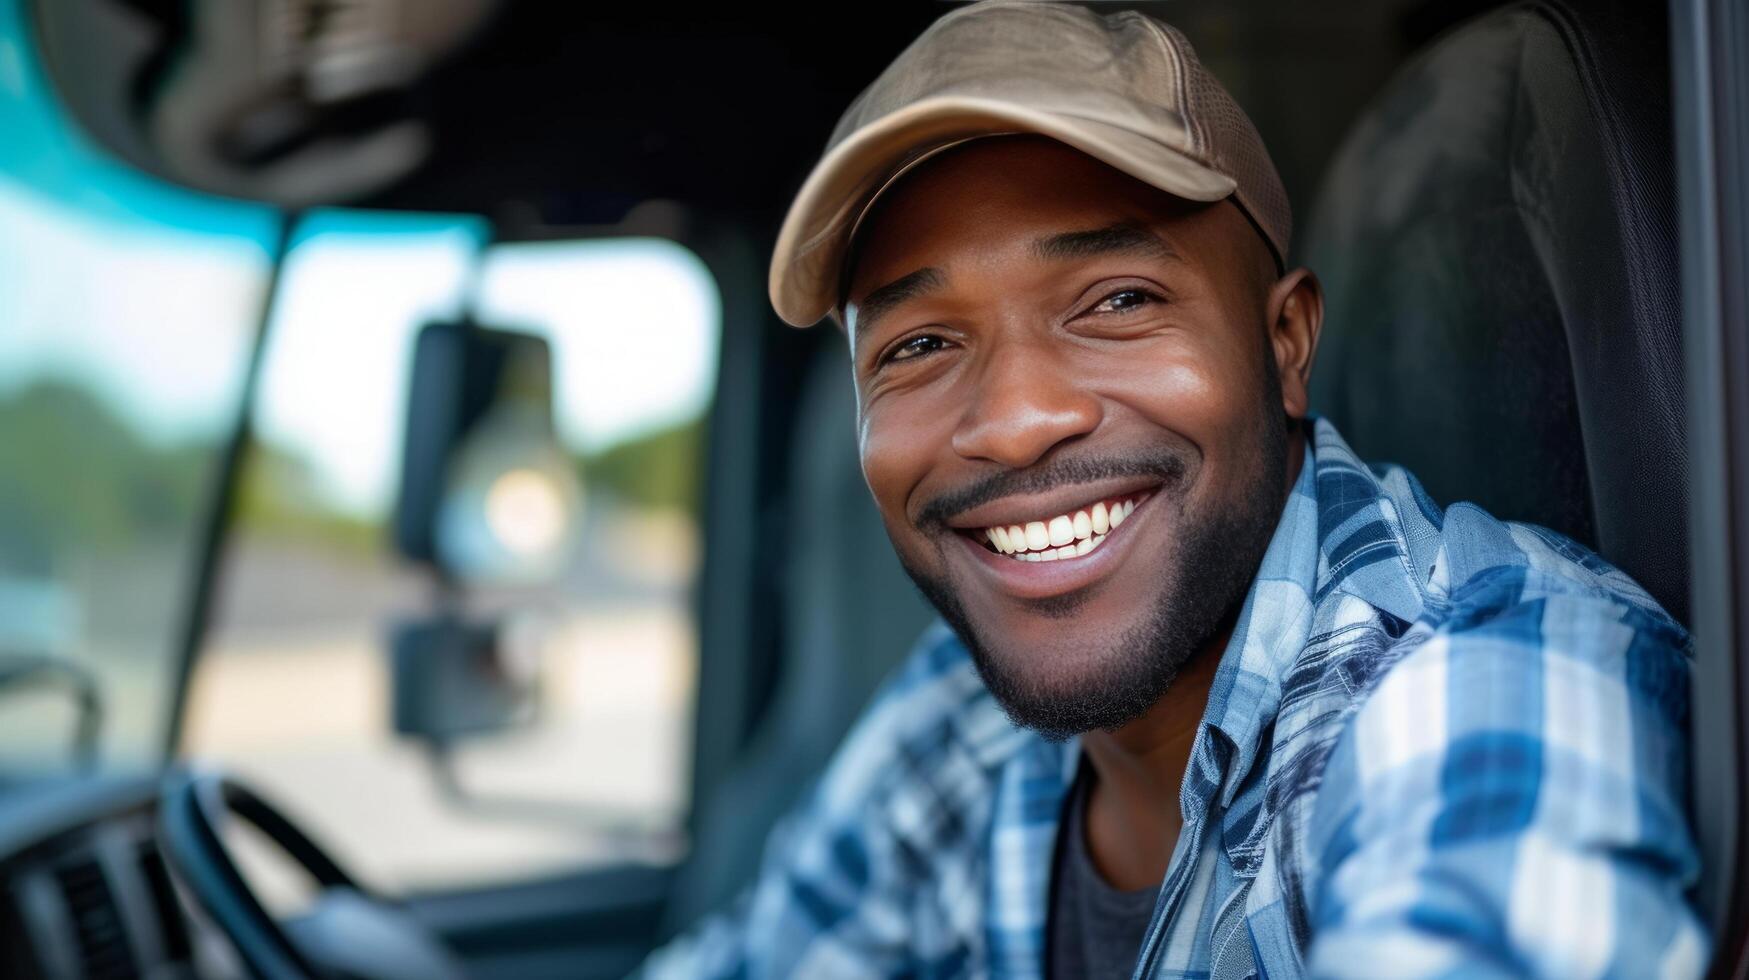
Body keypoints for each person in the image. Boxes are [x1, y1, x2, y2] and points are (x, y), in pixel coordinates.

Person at [637, 2, 1709, 976]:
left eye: (1115, 299)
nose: (1013, 419)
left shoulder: (1487, 677)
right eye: (918, 341)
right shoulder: (957, 718)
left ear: (1285, 344)